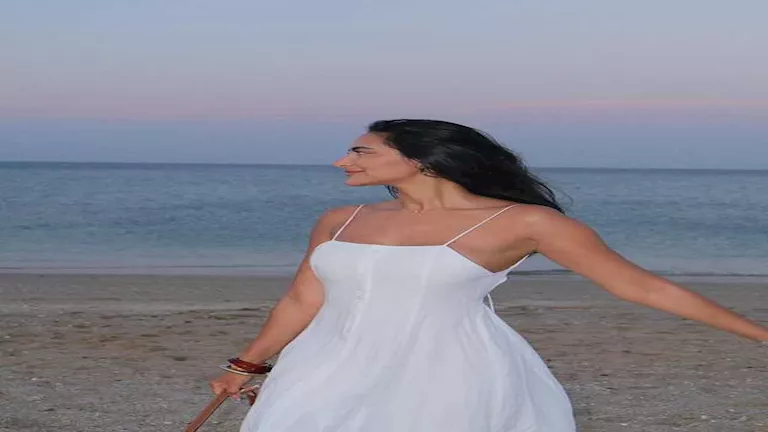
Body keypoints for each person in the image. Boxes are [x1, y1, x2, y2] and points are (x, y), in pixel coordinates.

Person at [210, 119, 768, 432]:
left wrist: (760, 334)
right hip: (322, 367)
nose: (343, 161)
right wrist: (244, 366)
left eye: (361, 151)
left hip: (444, 374)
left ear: (421, 159)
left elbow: (639, 285)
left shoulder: (525, 223)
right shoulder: (341, 219)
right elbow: (302, 301)